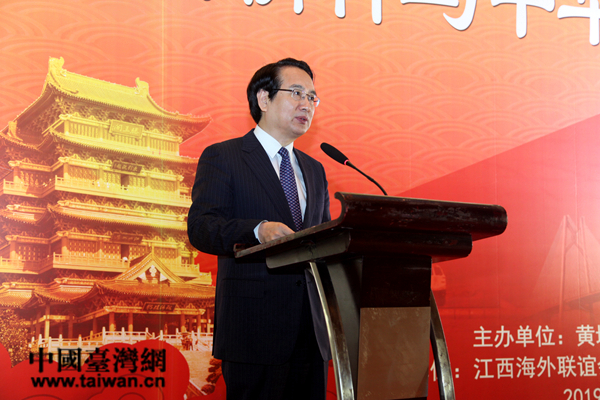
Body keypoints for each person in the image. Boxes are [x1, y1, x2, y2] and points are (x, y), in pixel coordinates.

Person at [187, 58, 331, 400]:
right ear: (264, 99)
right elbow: (201, 227)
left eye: (312, 97)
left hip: (312, 333)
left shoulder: (315, 170)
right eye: (296, 93)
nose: (306, 104)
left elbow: (324, 241)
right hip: (254, 330)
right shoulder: (224, 157)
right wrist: (257, 230)